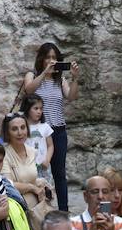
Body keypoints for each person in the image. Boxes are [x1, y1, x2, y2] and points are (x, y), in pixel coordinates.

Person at [23, 43, 80, 212]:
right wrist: (44, 73)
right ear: (41, 58)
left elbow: (71, 96)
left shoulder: (60, 79)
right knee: (35, 170)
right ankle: (37, 208)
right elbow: (28, 90)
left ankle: (63, 210)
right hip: (37, 133)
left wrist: (75, 78)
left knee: (59, 172)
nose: (51, 60)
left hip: (58, 130)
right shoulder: (32, 75)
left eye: (54, 57)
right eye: (48, 57)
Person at [1, 112, 51, 207]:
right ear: (7, 133)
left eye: (23, 127)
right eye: (14, 129)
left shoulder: (32, 151)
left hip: (36, 207)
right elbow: (8, 185)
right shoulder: (4, 154)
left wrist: (41, 184)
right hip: (18, 208)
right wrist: (32, 188)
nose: (20, 133)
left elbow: (31, 177)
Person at [20, 94, 55, 182]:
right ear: (27, 109)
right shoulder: (22, 127)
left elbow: (50, 145)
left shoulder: (45, 126)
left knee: (47, 189)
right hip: (28, 166)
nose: (39, 111)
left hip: (44, 166)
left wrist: (47, 160)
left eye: (41, 108)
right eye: (36, 108)